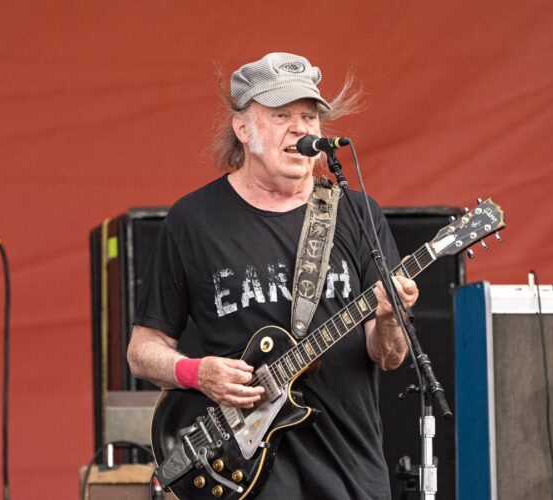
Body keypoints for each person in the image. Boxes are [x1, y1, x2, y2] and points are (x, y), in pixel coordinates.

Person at [127, 52, 419, 499]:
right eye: (282, 115)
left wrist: (390, 319)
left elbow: (389, 357)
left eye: (309, 116)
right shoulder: (194, 220)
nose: (301, 128)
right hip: (242, 474)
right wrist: (195, 371)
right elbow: (142, 351)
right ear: (243, 129)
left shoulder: (357, 215)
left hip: (350, 471)